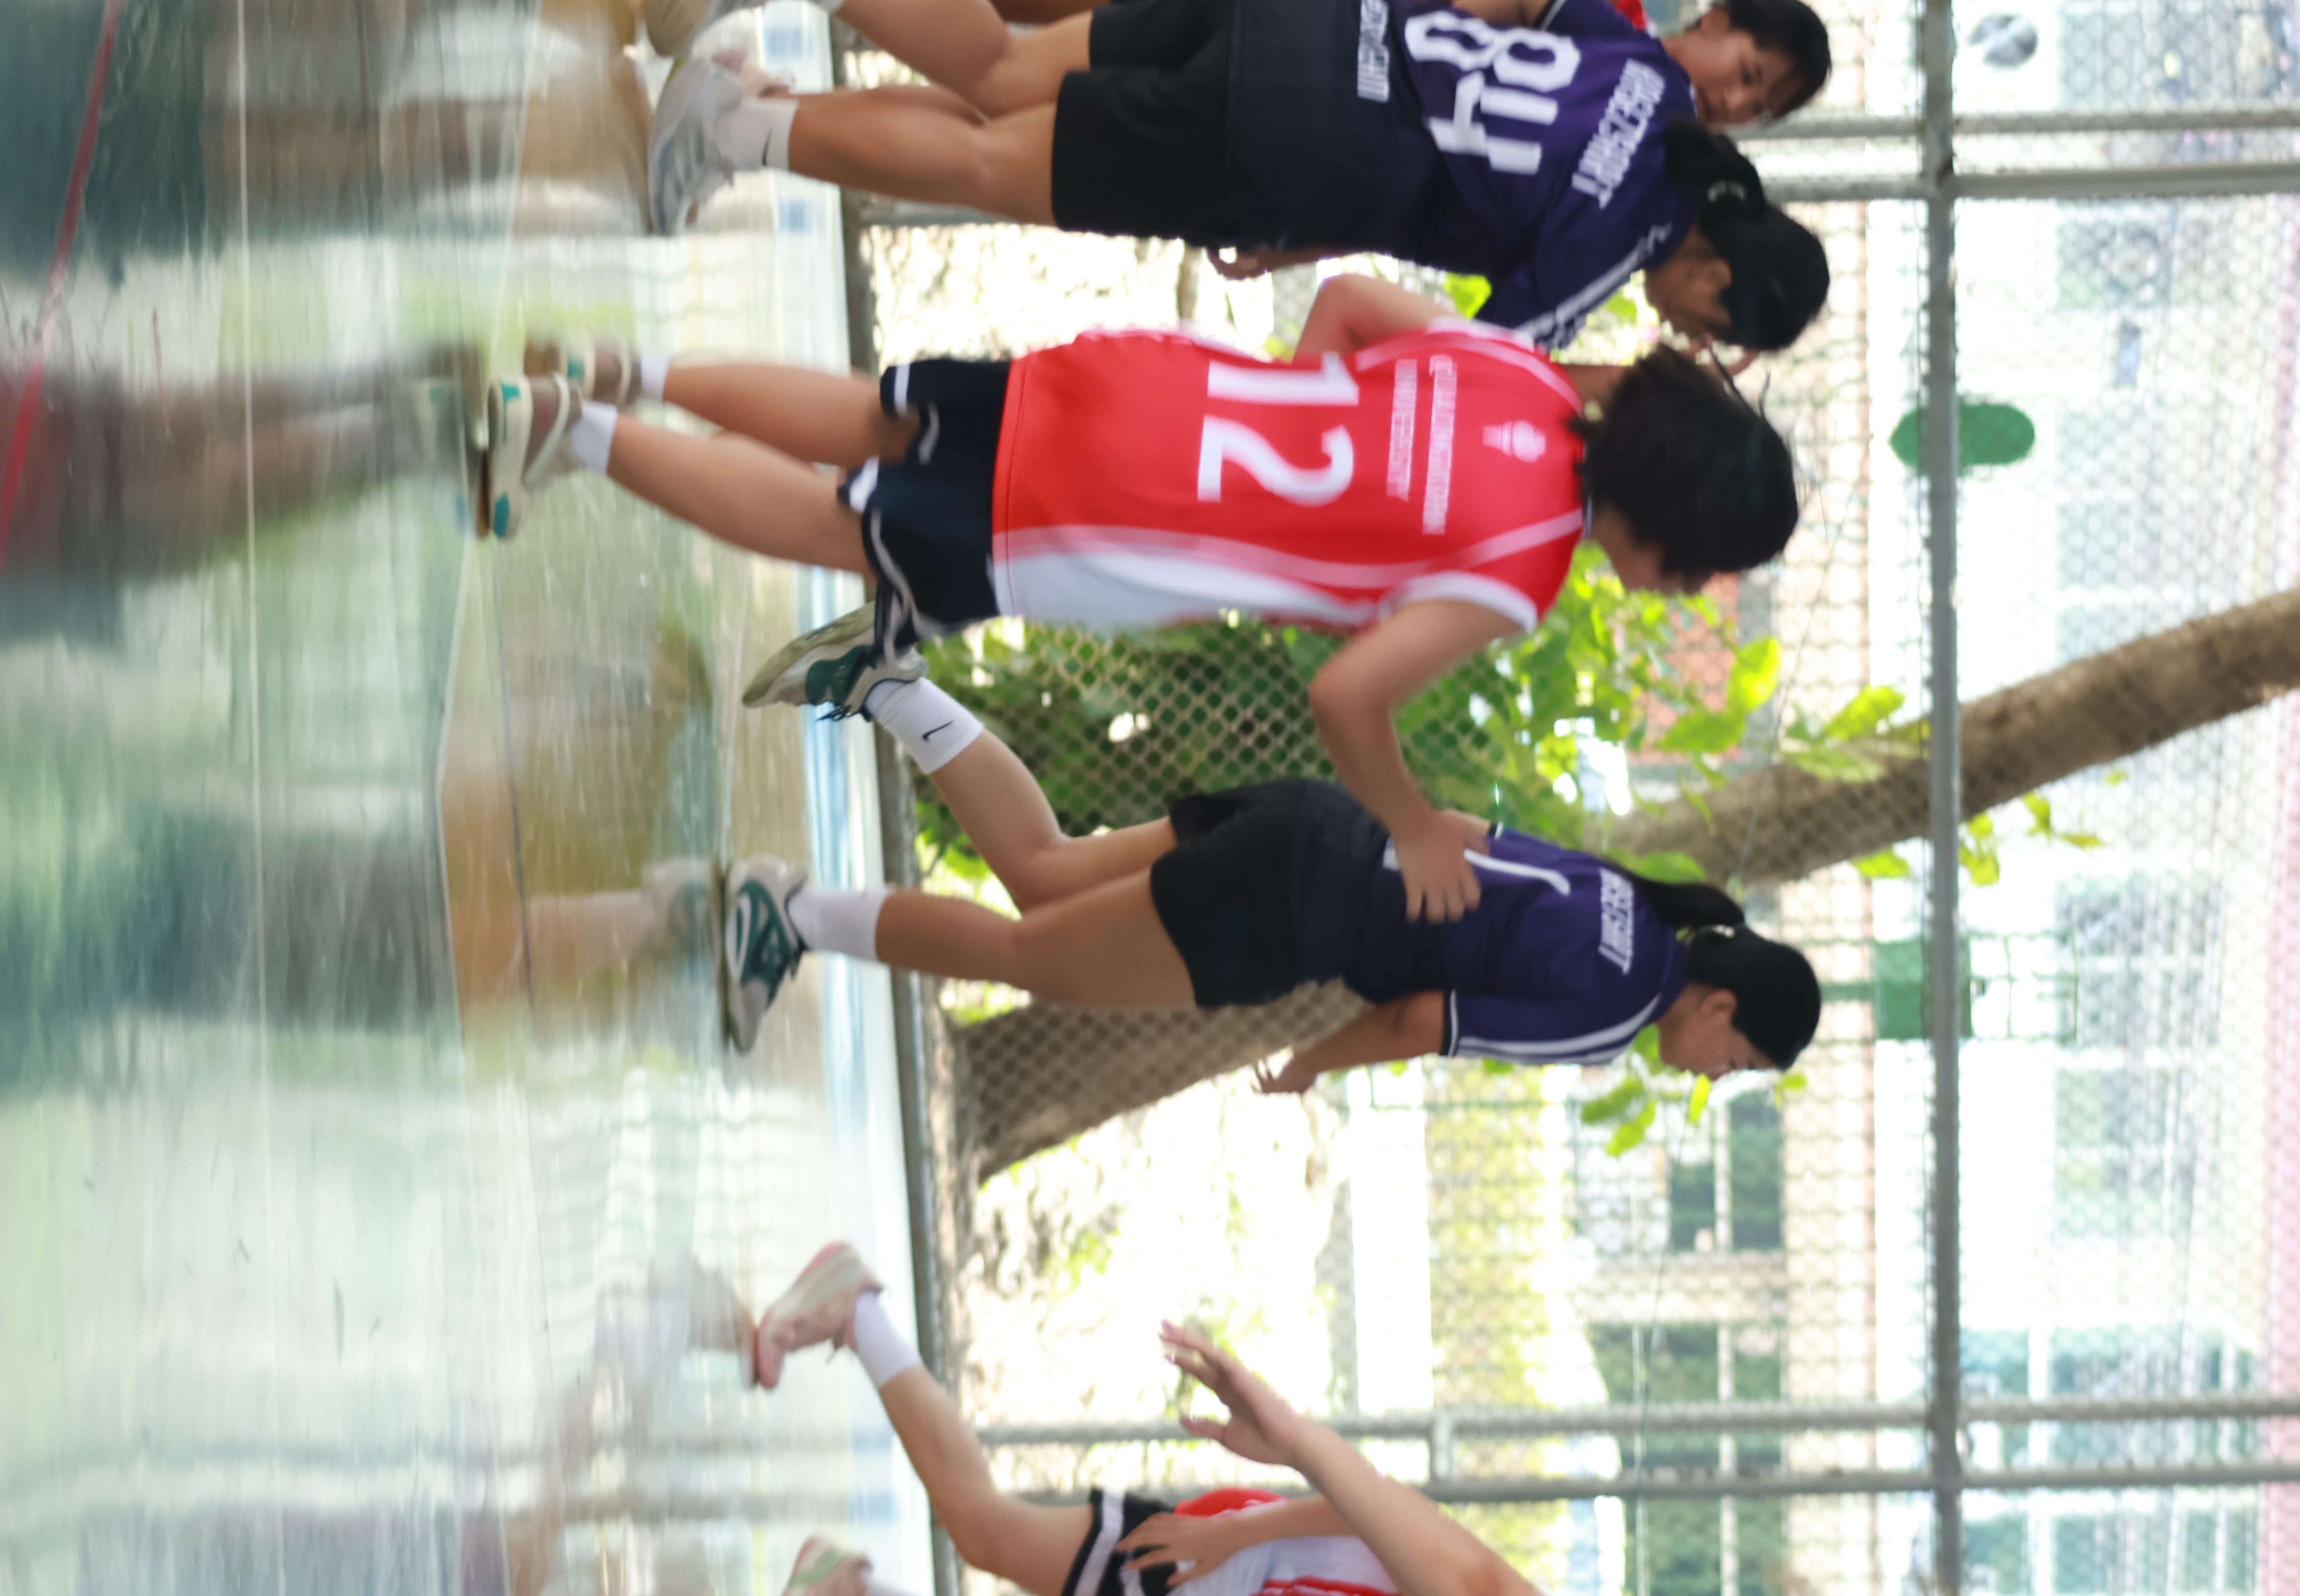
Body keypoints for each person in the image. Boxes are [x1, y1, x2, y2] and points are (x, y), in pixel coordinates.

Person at [484, 274, 1797, 1013]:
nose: (1685, 590)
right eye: (1702, 569)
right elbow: (1350, 699)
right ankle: (571, 433)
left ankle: (627, 373)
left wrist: (1297, 435)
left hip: (1157, 390)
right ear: (1674, 525)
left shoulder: (1525, 378)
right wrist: (1414, 826)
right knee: (843, 532)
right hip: (1132, 518)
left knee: (875, 420)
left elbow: (1345, 303)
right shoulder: (1521, 569)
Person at [759, 1260, 1999, 1596]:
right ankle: (856, 1570)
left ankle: (858, 1361)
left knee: (991, 1538)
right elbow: (1467, 1582)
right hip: (1270, 1571)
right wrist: (1286, 1483)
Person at [640, 0, 1832, 354]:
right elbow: (1480, 363)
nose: (1687, 337)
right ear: (1719, 278)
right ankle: (731, 130)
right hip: (1284, 144)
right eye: (1709, 331)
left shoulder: (1641, 71)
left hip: (1317, 27)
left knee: (1002, 73)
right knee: (991, 161)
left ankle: (754, 106)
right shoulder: (1611, 249)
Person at [709, 716, 1821, 1073]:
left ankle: (890, 683)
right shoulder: (1613, 1019)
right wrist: (1313, 1065)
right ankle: (789, 914)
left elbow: (1465, 833)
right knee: (1025, 953)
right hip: (1296, 915)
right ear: (1721, 1007)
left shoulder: (1631, 902)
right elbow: (1418, 1020)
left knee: (1045, 867)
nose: (1713, 1076)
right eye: (1736, 1062)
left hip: (1320, 824)